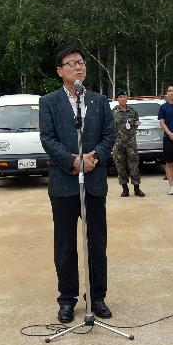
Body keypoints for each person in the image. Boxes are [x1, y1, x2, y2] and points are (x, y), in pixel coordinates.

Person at [38, 47, 115, 324]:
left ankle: (97, 297)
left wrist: (94, 157)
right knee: (66, 245)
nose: (78, 67)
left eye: (81, 63)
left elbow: (109, 134)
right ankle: (67, 299)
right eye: (71, 64)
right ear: (60, 71)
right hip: (63, 184)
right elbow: (47, 139)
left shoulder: (98, 101)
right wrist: (73, 161)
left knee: (96, 242)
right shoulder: (48, 102)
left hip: (94, 182)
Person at [111, 90, 144, 197]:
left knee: (134, 165)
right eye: (120, 97)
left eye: (124, 97)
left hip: (131, 143)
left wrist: (130, 135)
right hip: (118, 143)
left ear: (127, 98)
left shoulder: (133, 111)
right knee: (120, 166)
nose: (122, 99)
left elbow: (136, 124)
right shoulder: (113, 112)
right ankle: (125, 189)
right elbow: (109, 127)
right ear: (117, 99)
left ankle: (137, 188)